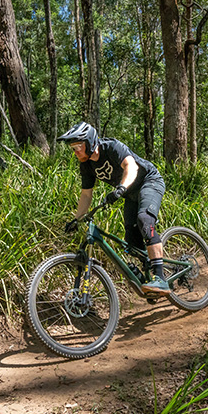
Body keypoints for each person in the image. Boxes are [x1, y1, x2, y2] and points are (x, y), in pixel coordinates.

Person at [58, 122, 170, 295]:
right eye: (73, 147)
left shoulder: (111, 146)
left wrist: (121, 188)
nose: (76, 151)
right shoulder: (86, 165)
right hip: (129, 193)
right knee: (131, 242)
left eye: (78, 146)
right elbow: (86, 195)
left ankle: (160, 278)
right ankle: (148, 274)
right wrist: (76, 219)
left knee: (144, 219)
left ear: (89, 142)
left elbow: (131, 166)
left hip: (149, 181)